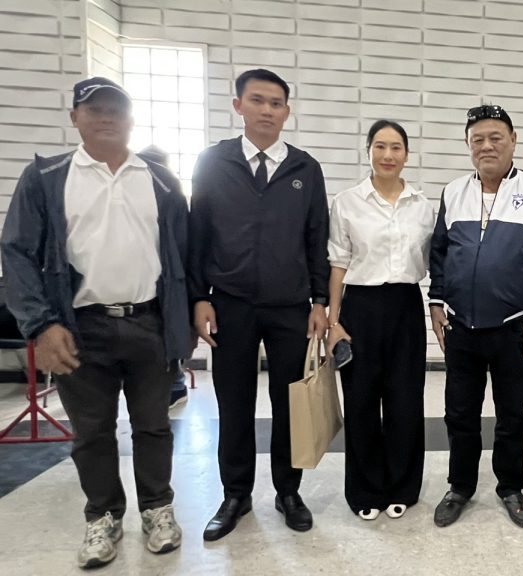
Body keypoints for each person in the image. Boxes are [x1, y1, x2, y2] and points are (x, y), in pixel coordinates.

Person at [0, 77, 190, 569]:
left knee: (154, 426)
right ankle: (102, 515)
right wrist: (41, 325)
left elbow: (184, 255)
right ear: (75, 118)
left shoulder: (160, 181)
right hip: (78, 328)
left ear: (131, 120)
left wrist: (187, 319)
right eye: (94, 109)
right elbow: (17, 254)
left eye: (116, 110)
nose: (106, 117)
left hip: (149, 322)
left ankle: (157, 508)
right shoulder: (46, 177)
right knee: (91, 432)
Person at [188, 68, 330, 541]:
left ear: (287, 112)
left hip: (290, 307)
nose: (267, 110)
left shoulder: (305, 169)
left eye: (276, 103)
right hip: (230, 304)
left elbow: (317, 238)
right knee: (233, 403)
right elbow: (197, 234)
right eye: (257, 100)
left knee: (291, 404)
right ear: (238, 106)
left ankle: (289, 492)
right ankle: (235, 494)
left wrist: (320, 300)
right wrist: (199, 297)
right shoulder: (213, 162)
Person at [428, 104, 523, 529]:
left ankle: (510, 486)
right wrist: (435, 302)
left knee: (513, 416)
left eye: (496, 138)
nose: (486, 146)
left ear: (513, 141)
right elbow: (439, 253)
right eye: (478, 140)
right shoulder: (454, 192)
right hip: (461, 327)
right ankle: (460, 486)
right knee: (460, 414)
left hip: (514, 329)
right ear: (468, 145)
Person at [325, 119, 434, 521]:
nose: (388, 155)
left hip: (406, 305)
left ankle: (402, 485)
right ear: (368, 150)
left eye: (396, 147)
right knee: (362, 401)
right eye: (380, 146)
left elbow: (433, 262)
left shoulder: (422, 205)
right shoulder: (347, 202)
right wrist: (334, 321)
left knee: (406, 400)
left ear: (407, 154)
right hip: (360, 307)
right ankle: (365, 489)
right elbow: (338, 263)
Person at [138, 144, 189, 410]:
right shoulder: (168, 185)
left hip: (157, 283)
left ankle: (174, 383)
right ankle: (175, 383)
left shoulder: (164, 188)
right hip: (165, 281)